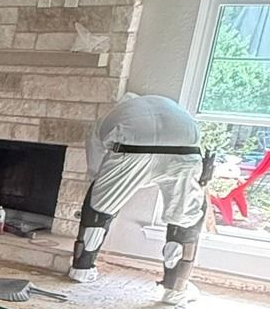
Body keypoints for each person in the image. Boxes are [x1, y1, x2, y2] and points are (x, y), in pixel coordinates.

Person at [70, 93, 210, 296]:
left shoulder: (110, 117)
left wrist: (102, 190)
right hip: (184, 149)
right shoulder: (172, 107)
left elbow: (95, 167)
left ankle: (81, 270)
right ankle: (175, 289)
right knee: (184, 217)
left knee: (99, 210)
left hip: (130, 147)